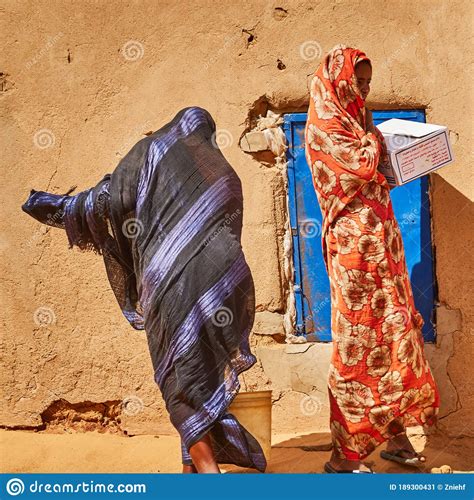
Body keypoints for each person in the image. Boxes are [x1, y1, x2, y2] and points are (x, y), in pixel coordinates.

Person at [22, 106, 266, 474]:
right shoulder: (223, 172)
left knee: (180, 378)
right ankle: (190, 471)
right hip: (227, 285)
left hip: (174, 288)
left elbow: (107, 202)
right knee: (201, 372)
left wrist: (57, 208)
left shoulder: (151, 154)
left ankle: (210, 474)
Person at [304, 45, 440, 473]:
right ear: (339, 82)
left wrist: (382, 142)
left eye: (367, 84)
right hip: (354, 258)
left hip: (383, 251)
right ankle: (343, 456)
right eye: (357, 83)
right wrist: (376, 139)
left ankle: (396, 438)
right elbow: (362, 165)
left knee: (395, 338)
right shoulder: (325, 126)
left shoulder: (356, 121)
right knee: (358, 346)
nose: (363, 91)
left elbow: (377, 165)